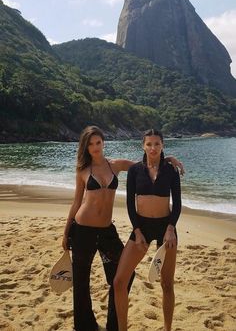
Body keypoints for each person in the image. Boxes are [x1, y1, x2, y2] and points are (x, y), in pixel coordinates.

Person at [62, 126, 183, 331]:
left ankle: (114, 326)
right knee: (82, 280)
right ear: (85, 146)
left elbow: (147, 164)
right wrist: (66, 232)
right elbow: (76, 203)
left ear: (103, 143)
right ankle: (86, 326)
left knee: (132, 279)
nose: (95, 147)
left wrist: (167, 158)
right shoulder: (83, 170)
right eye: (90, 144)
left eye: (98, 142)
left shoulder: (115, 165)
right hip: (83, 229)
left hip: (109, 230)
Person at [114, 129, 182, 331]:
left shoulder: (171, 171)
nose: (153, 148)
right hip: (141, 228)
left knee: (167, 285)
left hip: (166, 229)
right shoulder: (135, 170)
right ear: (142, 146)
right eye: (149, 144)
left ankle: (167, 328)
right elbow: (129, 204)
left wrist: (171, 228)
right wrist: (136, 231)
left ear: (162, 146)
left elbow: (177, 204)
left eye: (157, 144)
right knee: (119, 281)